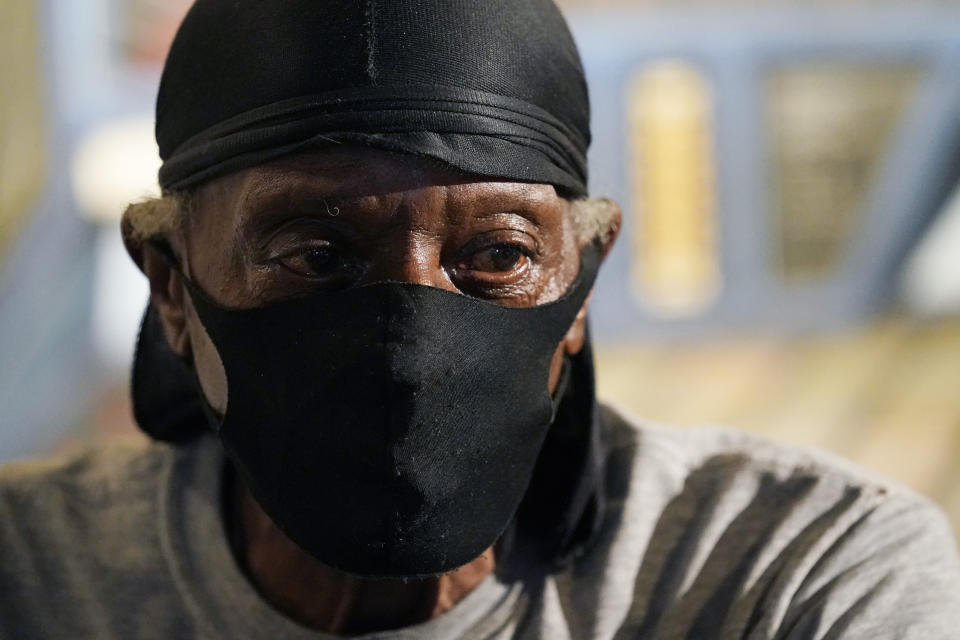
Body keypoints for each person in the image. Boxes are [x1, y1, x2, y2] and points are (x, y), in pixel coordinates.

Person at [2, 1, 959, 638]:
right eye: (316, 256)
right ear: (171, 287)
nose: (409, 353)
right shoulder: (33, 581)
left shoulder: (796, 576)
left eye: (497, 255)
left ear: (580, 280)